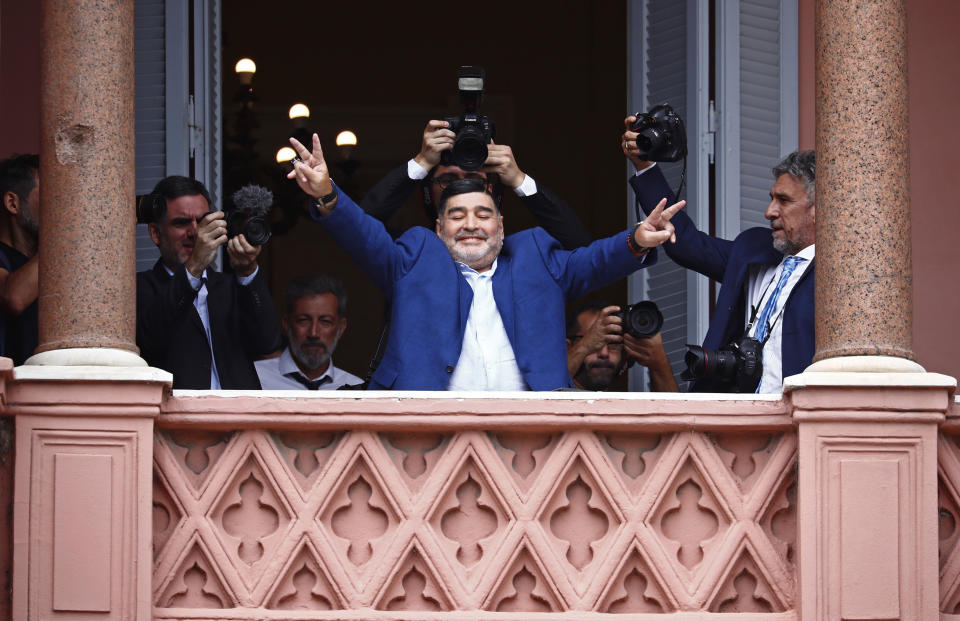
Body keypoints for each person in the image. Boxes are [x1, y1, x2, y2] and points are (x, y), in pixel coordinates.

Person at [288, 133, 683, 391]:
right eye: (457, 216)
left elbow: (595, 260)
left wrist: (637, 240)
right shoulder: (416, 257)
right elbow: (364, 236)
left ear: (501, 225)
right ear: (440, 228)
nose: (471, 225)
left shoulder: (535, 257)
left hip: (532, 435)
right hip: (425, 434)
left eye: (483, 214)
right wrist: (326, 193)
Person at [623, 116, 815, 393]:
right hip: (738, 416)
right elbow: (686, 244)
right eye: (771, 198)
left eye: (783, 200)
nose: (769, 211)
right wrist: (645, 166)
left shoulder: (839, 271)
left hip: (802, 421)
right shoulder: (754, 249)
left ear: (818, 208)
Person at [136, 175, 280, 389]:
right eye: (182, 223)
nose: (196, 232)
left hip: (240, 418)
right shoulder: (140, 287)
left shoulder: (232, 286)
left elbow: (267, 342)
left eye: (204, 222)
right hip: (178, 418)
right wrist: (193, 267)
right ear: (156, 234)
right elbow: (151, 339)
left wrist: (247, 270)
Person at [361, 120, 591, 250]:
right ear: (428, 191)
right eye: (448, 180)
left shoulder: (518, 257)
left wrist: (520, 180)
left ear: (492, 189)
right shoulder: (406, 252)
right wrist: (421, 163)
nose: (463, 190)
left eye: (474, 180)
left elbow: (580, 246)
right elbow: (359, 227)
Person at [256, 275, 362, 390]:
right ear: (287, 324)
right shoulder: (254, 378)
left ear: (341, 328)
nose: (313, 333)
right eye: (303, 321)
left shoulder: (356, 390)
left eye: (325, 322)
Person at [566, 301, 678, 392]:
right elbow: (548, 396)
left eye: (613, 343)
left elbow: (675, 417)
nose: (604, 353)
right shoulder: (550, 394)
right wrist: (584, 348)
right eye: (593, 343)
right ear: (568, 347)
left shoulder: (625, 408)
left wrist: (659, 363)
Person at [0, 154, 40, 365]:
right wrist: (63, 235)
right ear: (12, 203)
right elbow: (13, 297)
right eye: (50, 195)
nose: (60, 207)